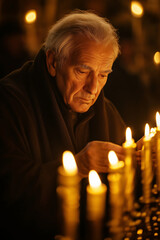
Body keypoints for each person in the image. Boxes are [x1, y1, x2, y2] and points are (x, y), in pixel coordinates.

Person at [0, 10, 142, 240]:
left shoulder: (105, 109)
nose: (93, 88)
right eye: (83, 71)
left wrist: (140, 161)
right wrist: (78, 167)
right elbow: (10, 192)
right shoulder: (9, 102)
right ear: (53, 62)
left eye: (104, 75)